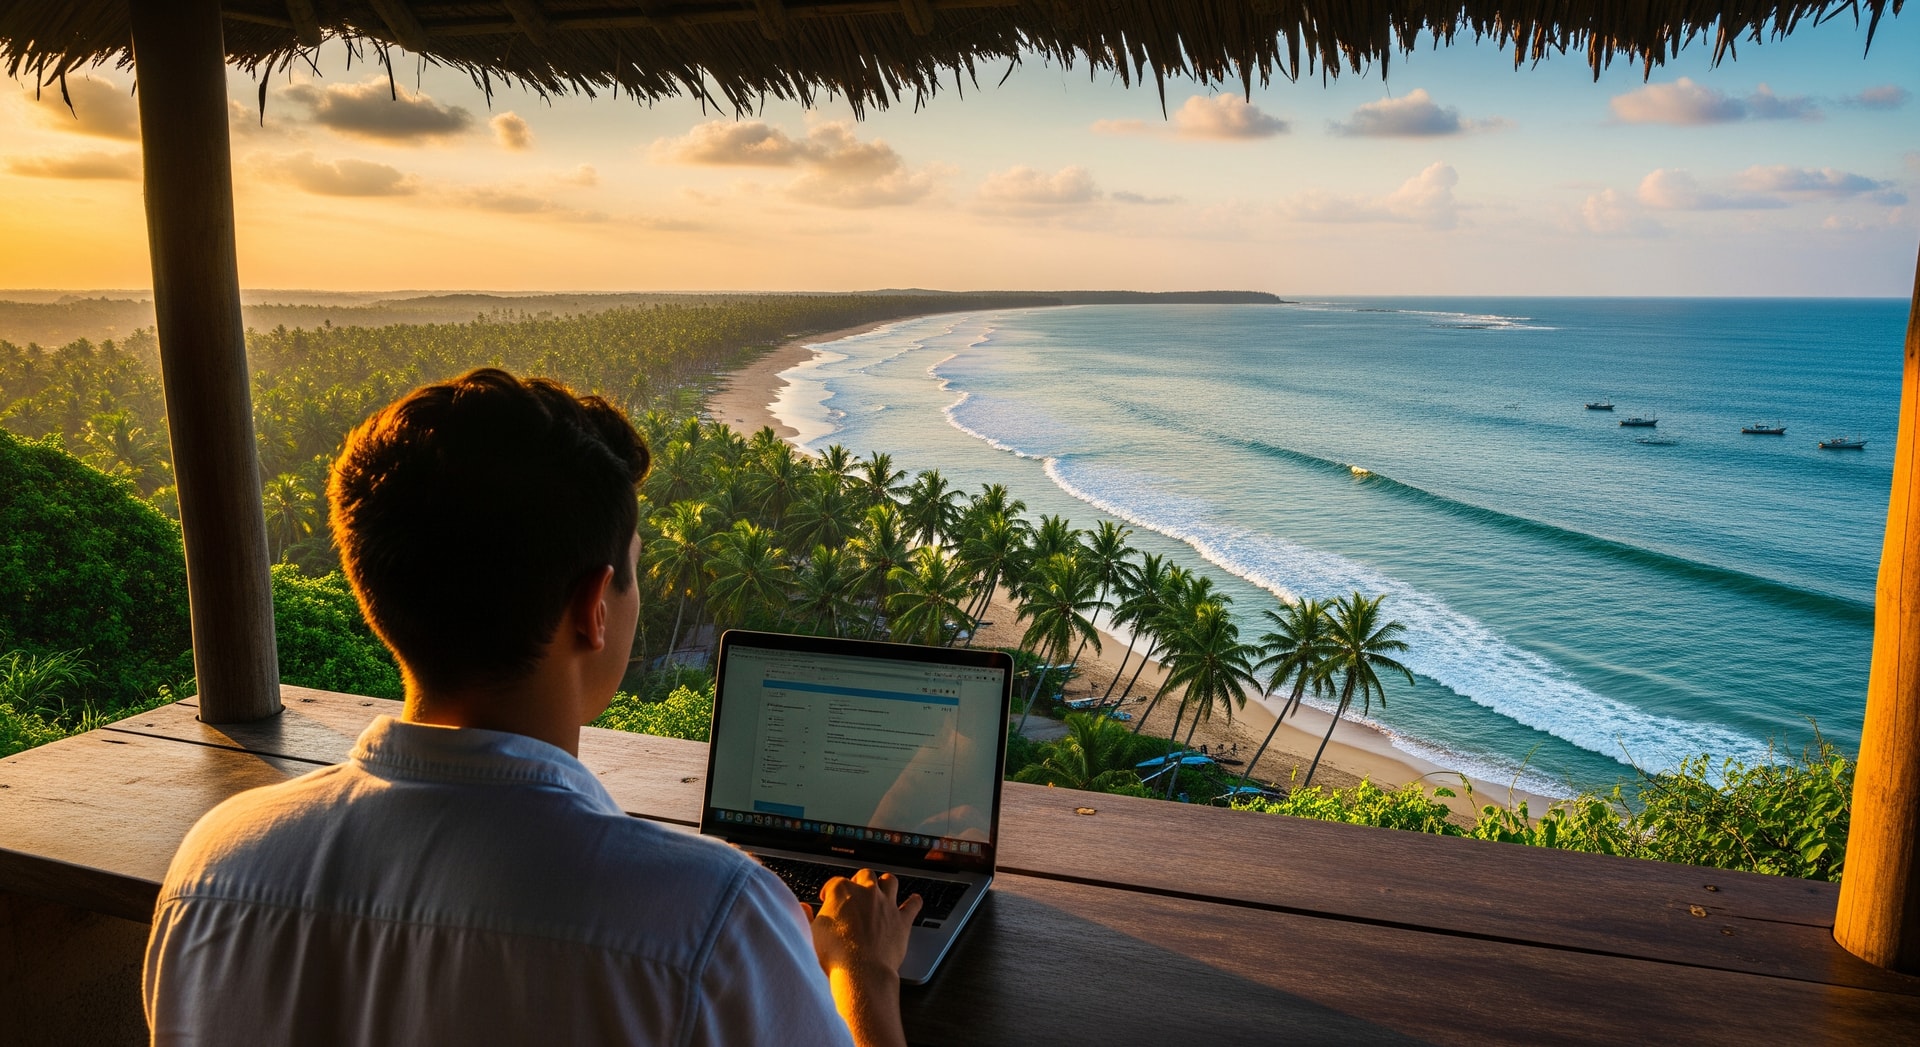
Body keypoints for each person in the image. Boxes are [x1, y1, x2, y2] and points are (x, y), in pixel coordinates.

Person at [144, 368, 921, 1046]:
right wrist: (869, 978)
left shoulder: (213, 868)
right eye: (633, 573)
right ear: (595, 607)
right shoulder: (704, 918)